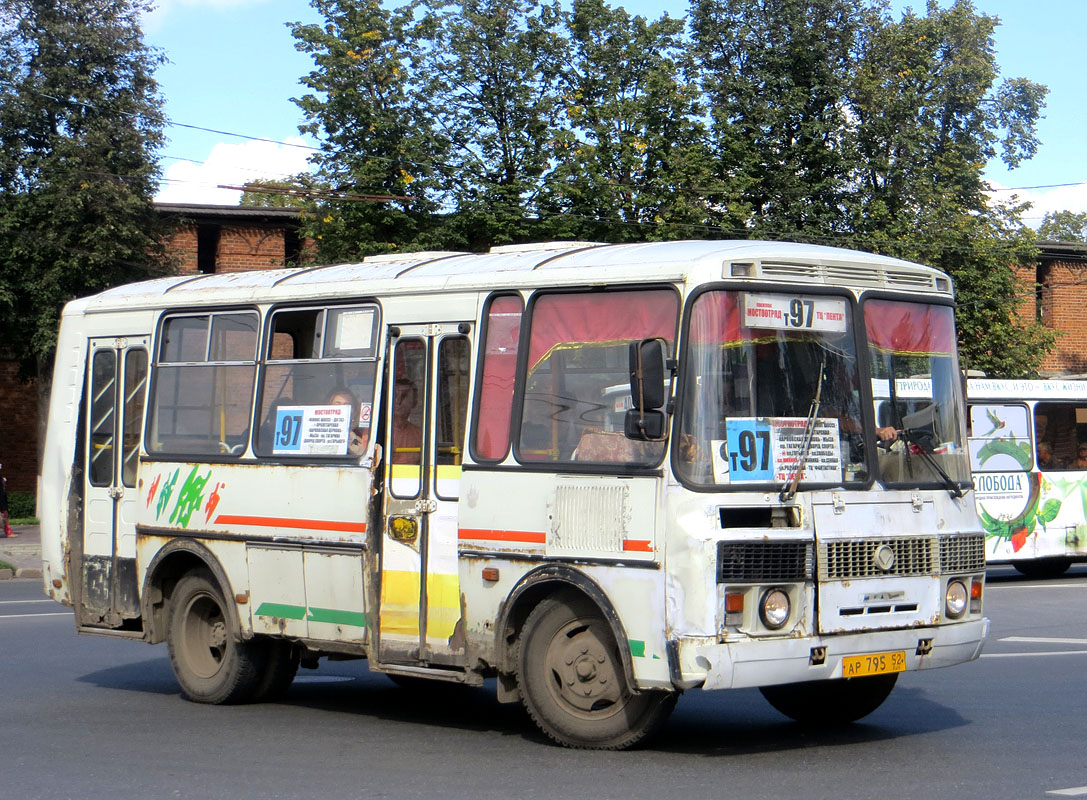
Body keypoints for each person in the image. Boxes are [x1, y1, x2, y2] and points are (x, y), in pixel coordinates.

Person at [327, 388, 369, 456]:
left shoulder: (361, 434)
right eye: (337, 404)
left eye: (347, 405)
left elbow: (362, 455)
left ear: (354, 411)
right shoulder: (318, 429)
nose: (342, 408)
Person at [391, 377, 423, 464]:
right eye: (394, 396)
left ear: (414, 403)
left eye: (404, 396)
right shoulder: (378, 433)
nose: (398, 401)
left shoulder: (420, 434)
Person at [0, 464, 15, 538]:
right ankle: (8, 532)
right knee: (5, 517)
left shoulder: (1, 479)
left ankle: (8, 532)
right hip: (2, 501)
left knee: (5, 517)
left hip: (2, 501)